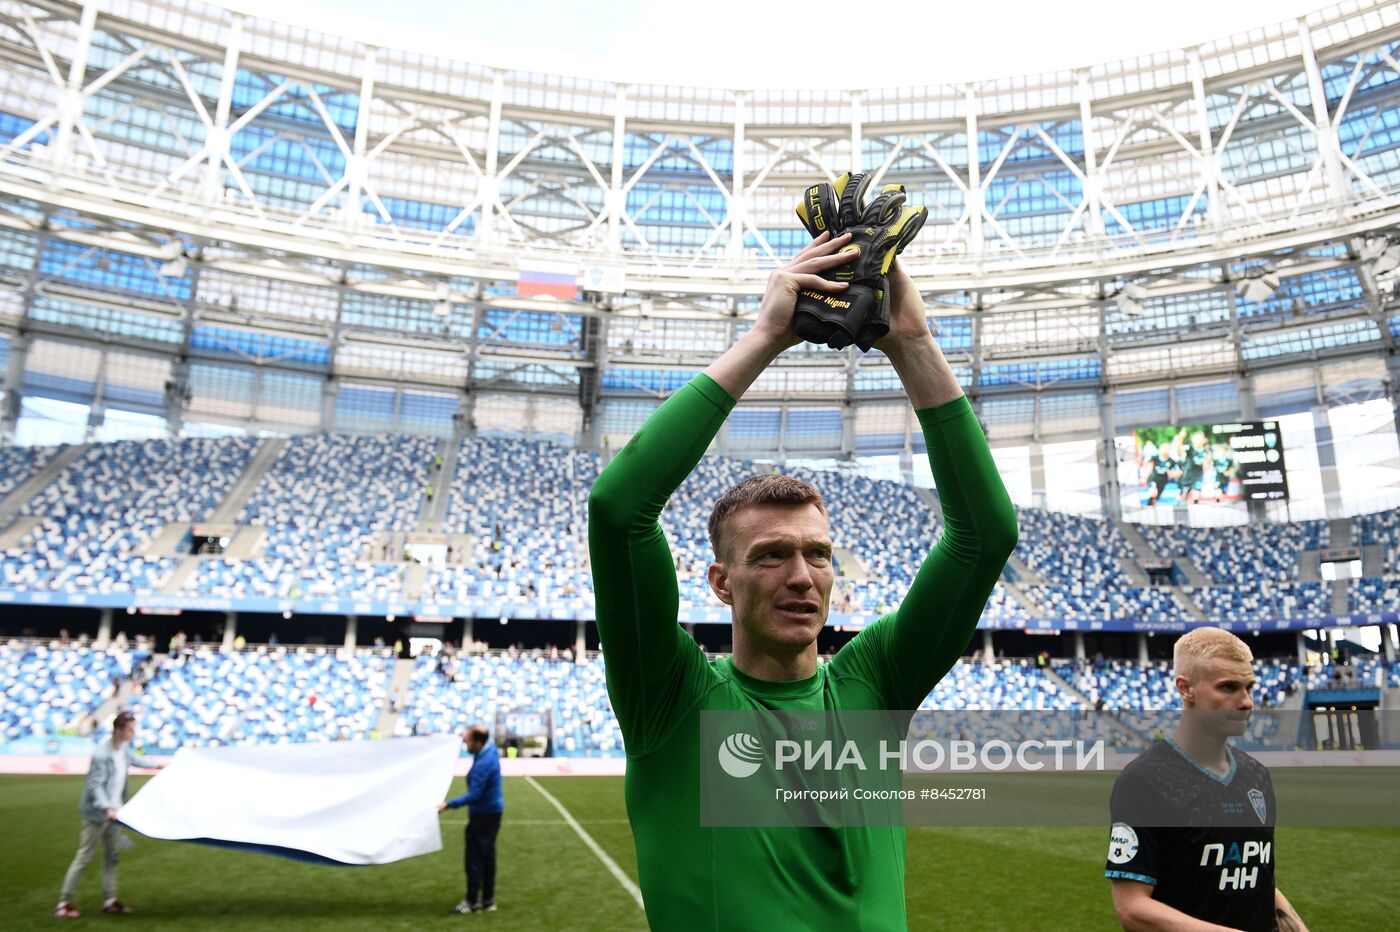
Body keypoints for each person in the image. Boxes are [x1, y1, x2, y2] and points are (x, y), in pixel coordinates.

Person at [586, 231, 1018, 929]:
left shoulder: (874, 683)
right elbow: (618, 511)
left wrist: (912, 342)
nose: (801, 576)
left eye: (817, 554)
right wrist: (766, 335)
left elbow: (985, 536)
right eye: (770, 555)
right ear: (721, 583)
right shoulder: (668, 697)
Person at [1106, 628, 1308, 931]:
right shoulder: (1144, 780)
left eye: (1249, 687)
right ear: (1186, 689)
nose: (1247, 702)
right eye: (1229, 688)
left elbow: (1257, 877)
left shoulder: (1257, 776)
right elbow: (1132, 908)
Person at [54, 711, 139, 919]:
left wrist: (160, 765)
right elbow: (96, 784)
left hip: (115, 813)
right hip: (98, 814)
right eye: (130, 729)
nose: (133, 733)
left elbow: (137, 761)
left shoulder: (124, 749)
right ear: (118, 730)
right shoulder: (102, 753)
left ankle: (110, 900)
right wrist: (107, 807)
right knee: (85, 856)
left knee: (112, 856)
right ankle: (64, 903)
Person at [437, 724, 504, 914]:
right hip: (492, 812)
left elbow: (475, 795)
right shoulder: (490, 751)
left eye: (467, 740)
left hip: (483, 815)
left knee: (474, 858)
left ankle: (472, 901)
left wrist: (448, 804)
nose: (465, 743)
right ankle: (488, 900)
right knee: (488, 857)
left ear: (478, 742)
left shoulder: (483, 763)